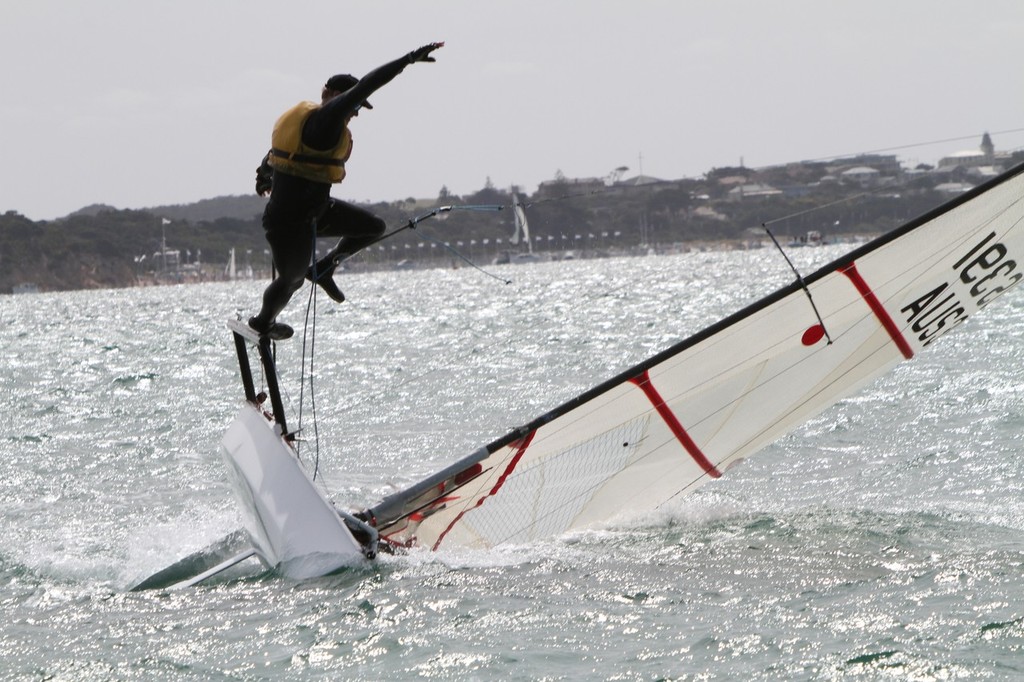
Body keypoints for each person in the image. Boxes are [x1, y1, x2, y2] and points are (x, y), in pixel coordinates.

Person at [248, 42, 444, 340]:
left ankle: (326, 267)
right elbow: (368, 84)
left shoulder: (311, 125)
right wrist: (407, 60)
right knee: (291, 279)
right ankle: (263, 322)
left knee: (372, 227)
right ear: (333, 95)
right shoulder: (327, 118)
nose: (355, 113)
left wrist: (264, 175)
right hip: (288, 223)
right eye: (354, 105)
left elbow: (278, 159)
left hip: (317, 213)